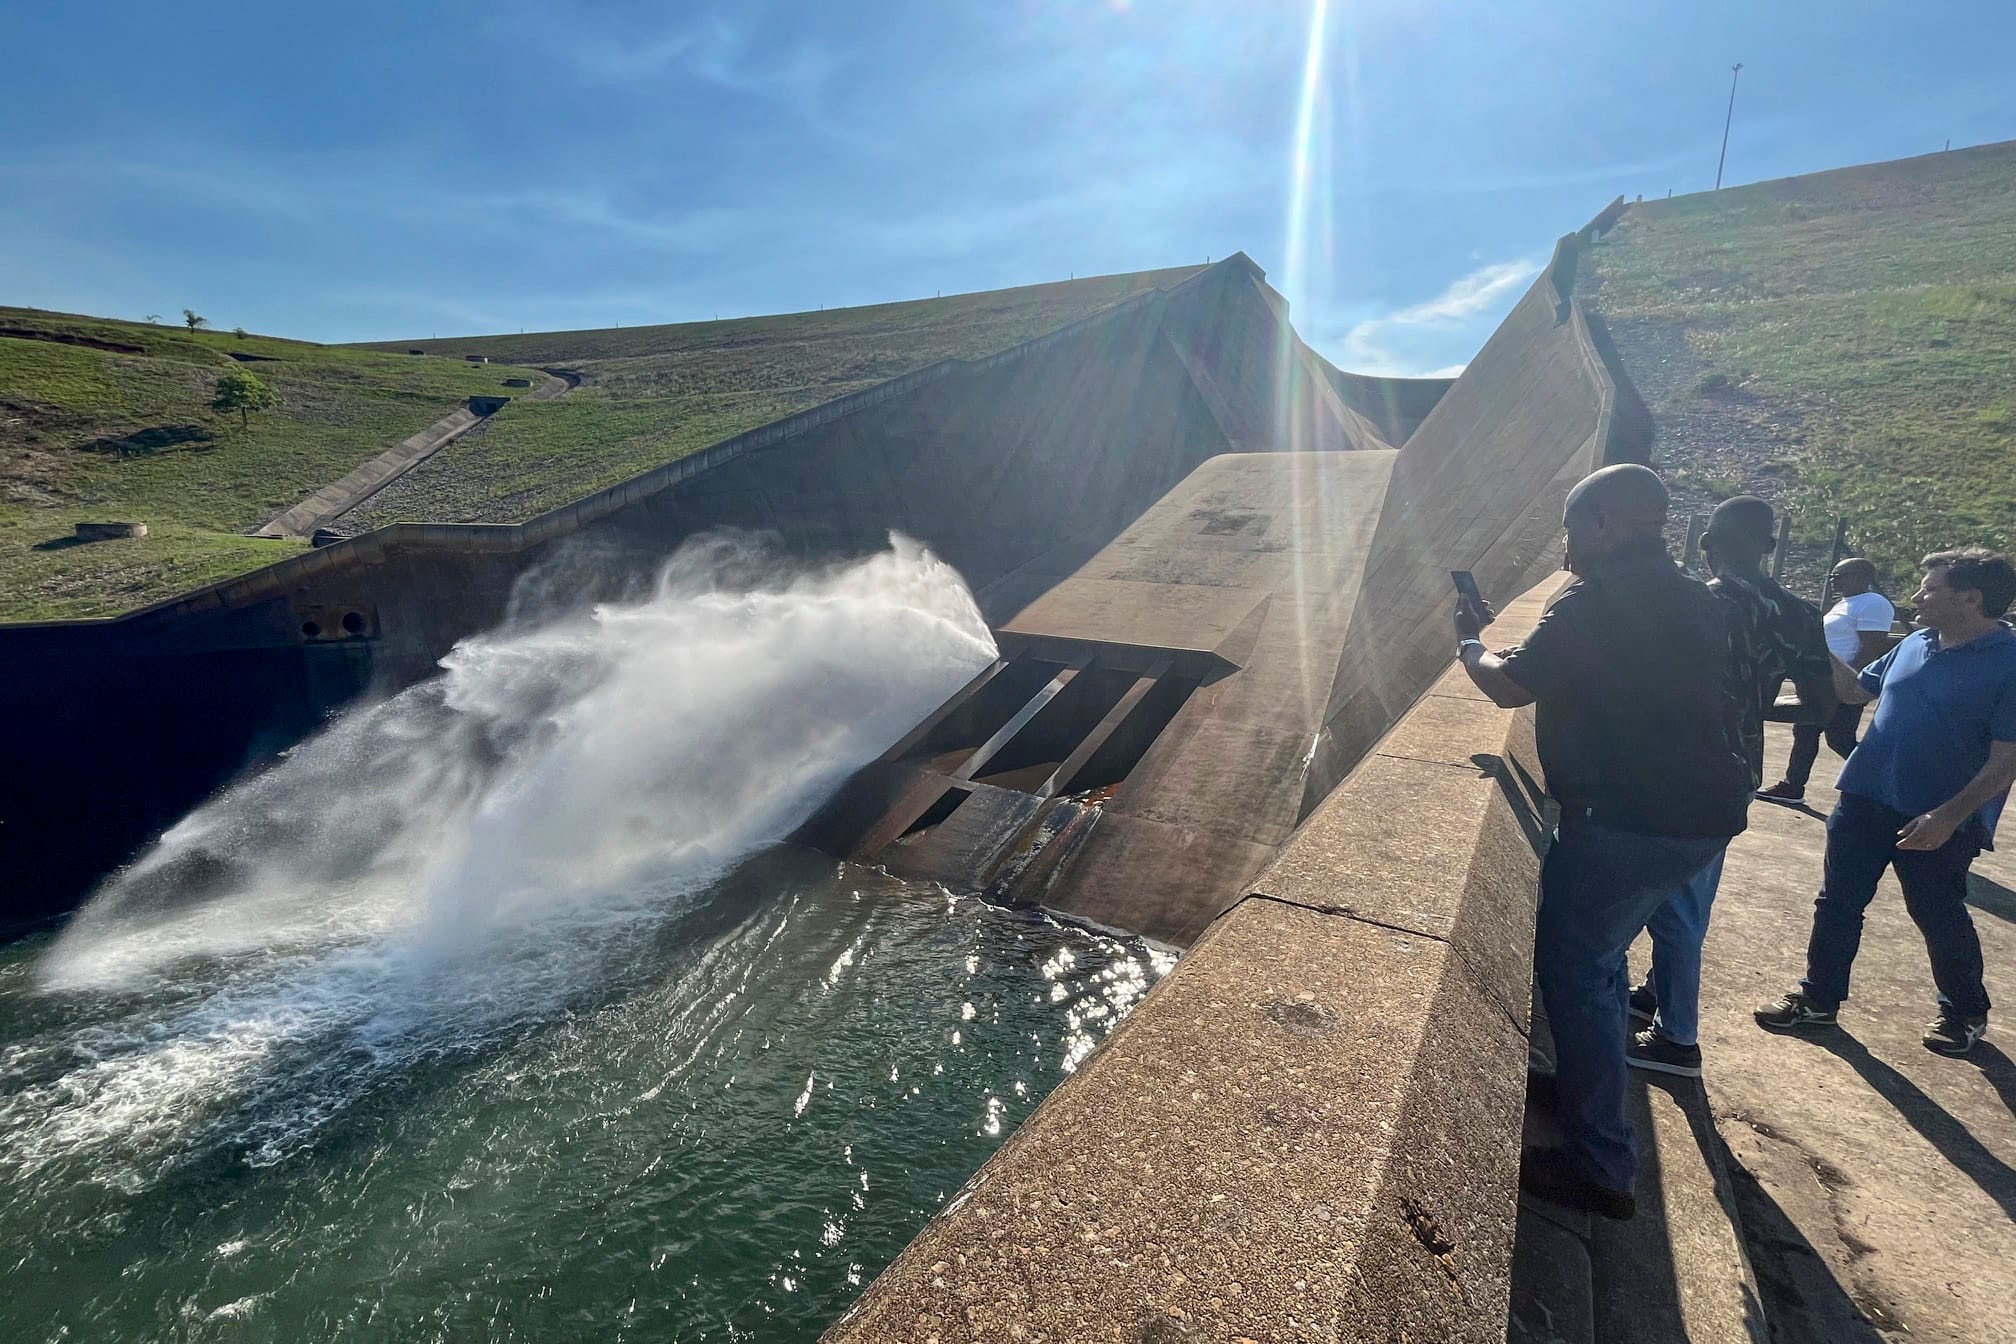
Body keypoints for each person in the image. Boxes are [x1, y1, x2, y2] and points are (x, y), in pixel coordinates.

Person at [1455, 464, 1751, 1220]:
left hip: (1629, 820)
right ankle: (1588, 1088)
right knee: (1603, 962)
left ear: (1601, 524)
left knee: (1577, 967)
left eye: (1571, 531)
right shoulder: (1695, 596)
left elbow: (1510, 684)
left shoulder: (1596, 600)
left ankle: (1600, 1165)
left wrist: (1468, 641)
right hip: (1701, 815)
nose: (1567, 550)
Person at [1756, 548, 2016, 1056]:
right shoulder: (1917, 642)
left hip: (1938, 817)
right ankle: (1818, 1001)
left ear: (1970, 597)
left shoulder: (2009, 663)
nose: (1915, 598)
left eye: (1930, 589)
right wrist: (1815, 638)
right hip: (1865, 798)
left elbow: (2006, 761)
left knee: (1936, 911)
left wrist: (1947, 817)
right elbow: (1855, 694)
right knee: (1837, 904)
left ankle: (1964, 1010)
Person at [1625, 497, 1834, 1077]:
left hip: (1674, 770)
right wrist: (1757, 707)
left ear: (1705, 544)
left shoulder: (1694, 602)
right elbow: (1820, 704)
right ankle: (1657, 993)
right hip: (1737, 774)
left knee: (1676, 907)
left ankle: (1677, 1039)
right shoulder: (1798, 613)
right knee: (1689, 892)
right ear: (1770, 546)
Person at [1756, 557, 1894, 804]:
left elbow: (1871, 648)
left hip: (1842, 684)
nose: (1834, 581)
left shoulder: (1873, 603)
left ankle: (1885, 780)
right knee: (1805, 729)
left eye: (1841, 575)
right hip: (1824, 681)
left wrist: (1849, 684)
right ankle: (1792, 786)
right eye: (1832, 576)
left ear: (1863, 577)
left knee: (1839, 738)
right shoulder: (1845, 604)